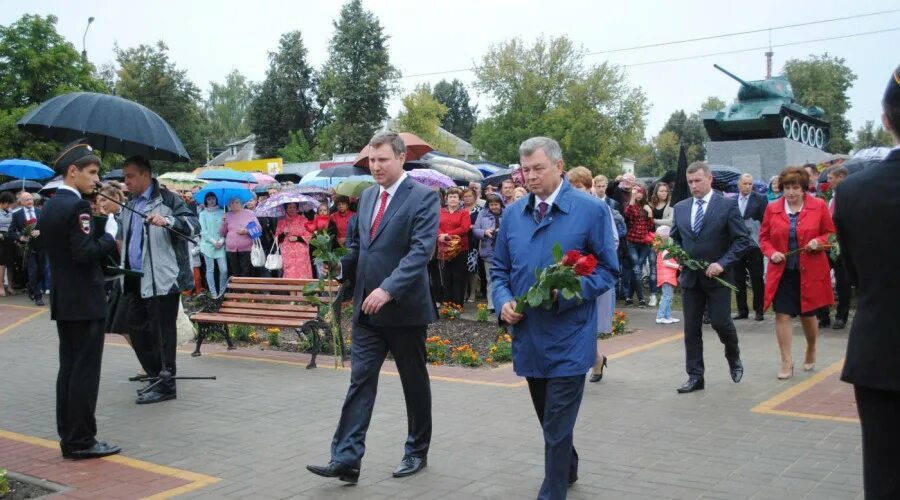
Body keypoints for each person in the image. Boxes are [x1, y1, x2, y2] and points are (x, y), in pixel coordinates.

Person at [306, 131, 439, 483]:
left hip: (404, 310)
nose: (376, 167)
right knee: (360, 381)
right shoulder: (366, 199)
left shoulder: (423, 198)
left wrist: (389, 289)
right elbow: (357, 247)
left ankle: (416, 450)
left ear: (400, 158)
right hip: (366, 309)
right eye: (371, 161)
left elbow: (420, 252)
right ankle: (346, 458)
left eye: (382, 160)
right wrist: (338, 266)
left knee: (414, 382)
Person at [492, 137, 618, 499]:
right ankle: (569, 463)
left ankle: (553, 489)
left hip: (570, 333)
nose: (529, 177)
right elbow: (499, 269)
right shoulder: (514, 214)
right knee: (548, 415)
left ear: (559, 166)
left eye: (538, 169)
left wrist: (566, 294)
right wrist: (503, 302)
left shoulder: (590, 211)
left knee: (558, 419)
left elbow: (608, 271)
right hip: (529, 333)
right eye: (525, 170)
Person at [835, 65, 900, 499]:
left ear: (885, 120)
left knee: (884, 477)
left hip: (882, 355)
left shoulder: (855, 192)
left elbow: (854, 275)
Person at [39, 142, 120, 459]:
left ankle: (70, 437)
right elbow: (85, 253)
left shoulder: (51, 204)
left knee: (69, 371)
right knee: (85, 373)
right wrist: (109, 234)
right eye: (92, 172)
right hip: (85, 301)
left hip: (65, 300)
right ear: (72, 172)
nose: (96, 179)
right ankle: (83, 440)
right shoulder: (77, 207)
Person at [121, 155, 200, 405]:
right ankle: (156, 376)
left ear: (146, 175)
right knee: (136, 329)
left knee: (162, 334)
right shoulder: (129, 202)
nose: (126, 182)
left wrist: (168, 221)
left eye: (130, 176)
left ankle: (166, 383)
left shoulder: (168, 199)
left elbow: (193, 224)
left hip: (162, 278)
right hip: (134, 277)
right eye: (125, 177)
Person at [670, 162, 752, 393]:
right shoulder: (681, 207)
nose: (694, 186)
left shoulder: (727, 205)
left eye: (698, 181)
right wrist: (678, 255)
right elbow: (676, 238)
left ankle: (733, 355)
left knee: (720, 322)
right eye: (690, 182)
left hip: (718, 277)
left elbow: (741, 240)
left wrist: (722, 263)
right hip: (690, 277)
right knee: (692, 329)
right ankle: (695, 376)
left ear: (709, 179)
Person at [758, 166, 834, 379]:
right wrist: (771, 252)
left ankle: (811, 347)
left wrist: (818, 242)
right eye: (786, 188)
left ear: (804, 189)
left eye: (795, 188)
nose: (790, 193)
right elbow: (764, 237)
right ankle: (786, 360)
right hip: (782, 273)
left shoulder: (818, 206)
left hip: (809, 272)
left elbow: (830, 233)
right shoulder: (772, 208)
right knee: (781, 314)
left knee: (808, 315)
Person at [567, 166, 617, 384]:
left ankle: (592, 360)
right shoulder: (567, 208)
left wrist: (589, 260)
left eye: (578, 187)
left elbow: (612, 241)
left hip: (594, 274)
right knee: (574, 323)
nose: (574, 192)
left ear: (589, 188)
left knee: (590, 324)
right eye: (571, 188)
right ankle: (594, 359)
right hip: (570, 274)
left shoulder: (600, 209)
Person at [817, 166, 852, 329]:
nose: (828, 181)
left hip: (844, 245)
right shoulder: (831, 196)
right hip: (829, 243)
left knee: (842, 282)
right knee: (820, 277)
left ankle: (841, 316)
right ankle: (823, 316)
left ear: (841, 177)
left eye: (831, 178)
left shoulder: (852, 195)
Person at [733, 174, 768, 321]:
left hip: (755, 244)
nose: (748, 186)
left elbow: (766, 220)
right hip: (737, 245)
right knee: (738, 278)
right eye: (745, 183)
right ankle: (742, 310)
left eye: (750, 184)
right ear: (739, 185)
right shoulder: (732, 200)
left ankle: (759, 310)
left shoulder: (760, 199)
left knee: (756, 278)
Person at [8, 191, 45, 305]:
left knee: (41, 272)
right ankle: (38, 296)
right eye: (26, 199)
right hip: (27, 248)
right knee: (33, 272)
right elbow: (11, 232)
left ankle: (30, 286)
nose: (29, 201)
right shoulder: (17, 215)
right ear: (21, 202)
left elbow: (48, 226)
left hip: (41, 246)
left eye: (30, 199)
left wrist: (40, 231)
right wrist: (20, 237)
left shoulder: (40, 212)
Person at [437, 187, 471, 306]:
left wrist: (447, 235)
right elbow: (436, 225)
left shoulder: (464, 212)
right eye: (450, 197)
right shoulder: (440, 211)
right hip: (444, 248)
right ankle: (447, 302)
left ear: (459, 199)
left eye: (455, 197)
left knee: (458, 275)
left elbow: (464, 228)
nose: (452, 199)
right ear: (446, 199)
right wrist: (441, 234)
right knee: (446, 275)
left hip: (460, 248)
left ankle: (457, 303)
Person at [623, 184, 654, 307]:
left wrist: (650, 212)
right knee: (636, 269)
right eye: (637, 192)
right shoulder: (631, 205)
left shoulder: (647, 206)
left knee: (636, 270)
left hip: (645, 243)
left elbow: (650, 226)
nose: (639, 194)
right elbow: (628, 214)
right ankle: (641, 299)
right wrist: (632, 196)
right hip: (632, 242)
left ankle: (629, 297)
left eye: (641, 192)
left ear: (644, 194)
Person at [472, 194, 503, 312]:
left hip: (504, 251)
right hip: (488, 250)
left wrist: (502, 231)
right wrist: (484, 232)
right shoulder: (482, 214)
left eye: (496, 204)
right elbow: (475, 230)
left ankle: (503, 303)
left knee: (503, 278)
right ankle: (491, 305)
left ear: (500, 204)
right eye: (491, 205)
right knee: (490, 278)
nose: (494, 207)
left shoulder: (507, 213)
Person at [648, 182, 674, 307]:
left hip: (665, 240)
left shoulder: (671, 205)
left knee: (665, 265)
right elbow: (646, 222)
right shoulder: (650, 205)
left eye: (665, 191)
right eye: (661, 191)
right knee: (653, 266)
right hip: (653, 239)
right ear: (656, 192)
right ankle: (653, 295)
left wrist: (653, 220)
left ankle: (665, 293)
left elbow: (670, 221)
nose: (663, 193)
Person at [220, 197, 259, 278]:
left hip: (246, 248)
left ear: (242, 203)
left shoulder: (249, 213)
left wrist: (246, 231)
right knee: (235, 272)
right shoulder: (227, 215)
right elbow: (222, 233)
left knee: (246, 271)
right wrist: (223, 223)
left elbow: (258, 229)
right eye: (232, 203)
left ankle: (246, 289)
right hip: (231, 249)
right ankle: (237, 290)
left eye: (236, 202)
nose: (234, 204)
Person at [275, 202, 314, 279]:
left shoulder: (303, 220)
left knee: (302, 274)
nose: (292, 209)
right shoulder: (281, 222)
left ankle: (301, 291)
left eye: (294, 207)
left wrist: (298, 238)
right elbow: (276, 239)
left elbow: (309, 235)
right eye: (289, 207)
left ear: (297, 208)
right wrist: (283, 233)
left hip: (301, 253)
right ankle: (291, 290)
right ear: (286, 208)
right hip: (287, 254)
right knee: (289, 274)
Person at [199, 193, 227, 297]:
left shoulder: (222, 212)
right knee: (210, 269)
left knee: (224, 270)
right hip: (208, 245)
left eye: (213, 198)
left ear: (216, 199)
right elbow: (203, 231)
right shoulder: (203, 214)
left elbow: (225, 229)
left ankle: (222, 292)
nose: (211, 201)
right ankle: (213, 293)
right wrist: (213, 241)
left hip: (220, 244)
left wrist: (222, 240)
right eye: (209, 199)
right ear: (206, 201)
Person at [655, 225, 680, 325]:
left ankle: (667, 316)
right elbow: (666, 263)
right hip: (666, 277)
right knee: (666, 297)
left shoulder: (662, 250)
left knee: (668, 297)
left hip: (667, 276)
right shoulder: (666, 251)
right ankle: (660, 316)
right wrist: (678, 266)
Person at [0, 191, 15, 296]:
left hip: (9, 239)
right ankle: (1, 287)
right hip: (0, 240)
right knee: (1, 264)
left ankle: (10, 286)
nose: (9, 205)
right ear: (3, 201)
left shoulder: (10, 212)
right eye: (8, 203)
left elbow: (13, 225)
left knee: (10, 263)